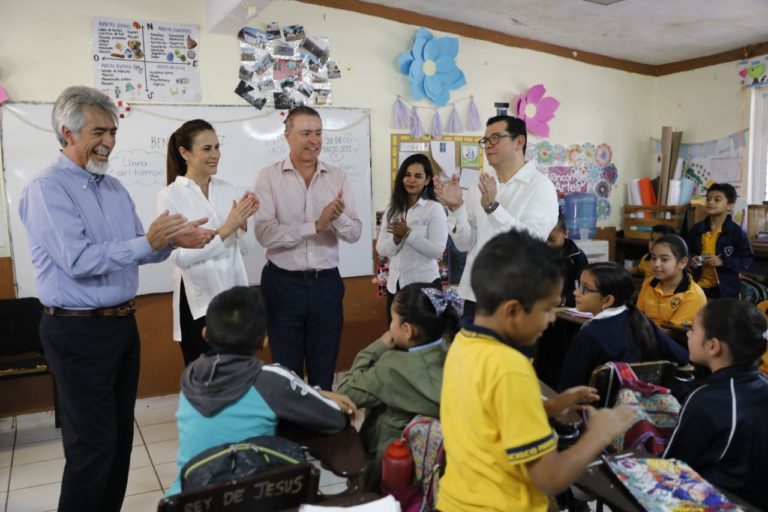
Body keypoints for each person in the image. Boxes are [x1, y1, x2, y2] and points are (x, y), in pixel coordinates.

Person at [17, 86, 215, 512]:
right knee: (93, 445)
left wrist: (171, 241)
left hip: (121, 325)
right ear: (67, 132)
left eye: (113, 131)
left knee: (120, 439)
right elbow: (79, 260)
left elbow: (136, 249)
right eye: (98, 131)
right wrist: (148, 242)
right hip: (76, 329)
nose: (108, 141)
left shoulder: (112, 188)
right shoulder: (47, 190)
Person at [437, 229, 636, 512]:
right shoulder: (510, 368)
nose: (550, 320)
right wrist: (599, 435)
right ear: (513, 311)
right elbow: (549, 478)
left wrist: (551, 406)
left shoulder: (463, 344)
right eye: (547, 310)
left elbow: (489, 418)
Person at [168, 286, 357, 495]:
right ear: (265, 340)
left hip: (187, 500)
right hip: (252, 499)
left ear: (205, 333)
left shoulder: (191, 377)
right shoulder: (269, 380)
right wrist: (318, 395)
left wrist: (316, 393)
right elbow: (334, 419)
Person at [253, 106, 362, 390]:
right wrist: (316, 225)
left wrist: (336, 219)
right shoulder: (268, 177)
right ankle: (290, 430)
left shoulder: (337, 177)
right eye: (305, 133)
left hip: (326, 285)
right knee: (285, 372)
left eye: (318, 133)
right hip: (282, 285)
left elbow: (356, 234)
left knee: (323, 368)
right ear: (287, 135)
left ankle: (322, 430)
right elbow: (264, 233)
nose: (314, 140)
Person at [433, 115, 559, 320]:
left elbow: (530, 242)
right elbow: (465, 244)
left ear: (519, 142)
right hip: (475, 293)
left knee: (505, 353)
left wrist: (493, 208)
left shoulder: (540, 187)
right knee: (471, 353)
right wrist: (456, 208)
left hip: (512, 298)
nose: (488, 146)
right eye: (485, 140)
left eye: (496, 138)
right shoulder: (481, 183)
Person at [157, 119, 260, 366]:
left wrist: (243, 222)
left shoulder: (227, 188)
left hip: (234, 297)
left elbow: (238, 238)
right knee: (204, 378)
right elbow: (181, 257)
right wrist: (226, 228)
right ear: (184, 152)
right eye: (207, 149)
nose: (215, 155)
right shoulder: (169, 195)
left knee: (238, 373)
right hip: (198, 302)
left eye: (216, 147)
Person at [337, 283, 459, 485]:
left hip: (390, 469)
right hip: (440, 471)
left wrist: (379, 346)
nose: (390, 327)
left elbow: (346, 391)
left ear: (407, 330)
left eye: (392, 320)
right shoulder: (456, 352)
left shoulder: (392, 368)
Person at [664, 298, 768, 510]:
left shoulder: (704, 399)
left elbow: (671, 468)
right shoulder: (763, 385)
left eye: (692, 329)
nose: (688, 333)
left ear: (713, 346)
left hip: (720, 502)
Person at [558, 262, 689, 391]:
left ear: (608, 300)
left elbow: (568, 390)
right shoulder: (641, 321)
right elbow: (682, 357)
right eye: (579, 285)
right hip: (637, 406)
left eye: (584, 289)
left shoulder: (588, 336)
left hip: (598, 410)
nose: (575, 292)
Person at [375, 154, 448, 322]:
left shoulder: (434, 209)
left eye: (418, 176)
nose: (411, 180)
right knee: (397, 338)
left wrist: (408, 234)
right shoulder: (393, 209)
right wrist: (396, 240)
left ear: (427, 179)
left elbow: (437, 251)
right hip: (395, 286)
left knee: (423, 341)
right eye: (407, 175)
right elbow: (380, 248)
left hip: (425, 287)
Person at [686, 183, 753, 299]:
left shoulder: (736, 232)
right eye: (708, 199)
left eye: (717, 200)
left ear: (730, 205)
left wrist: (722, 261)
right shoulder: (697, 229)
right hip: (697, 287)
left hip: (725, 290)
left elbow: (746, 259)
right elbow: (685, 252)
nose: (711, 202)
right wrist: (691, 260)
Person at [636, 234, 707, 328]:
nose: (656, 264)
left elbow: (670, 332)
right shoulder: (649, 283)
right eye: (653, 258)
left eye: (664, 259)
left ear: (682, 263)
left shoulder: (693, 295)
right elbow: (637, 317)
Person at [546, 213, 588, 307]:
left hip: (567, 307)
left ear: (565, 233)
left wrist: (562, 300)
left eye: (552, 240)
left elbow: (582, 289)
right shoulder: (538, 253)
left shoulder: (577, 257)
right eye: (544, 239)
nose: (547, 244)